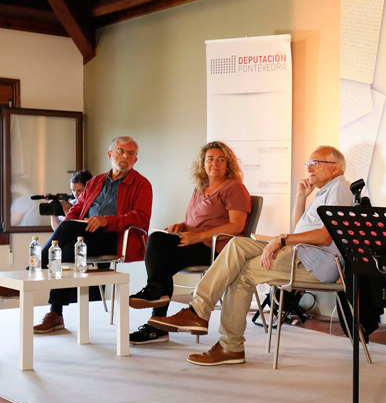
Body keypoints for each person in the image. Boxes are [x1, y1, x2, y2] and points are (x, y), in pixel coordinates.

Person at [148, 146, 353, 366]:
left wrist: (281, 239)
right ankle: (199, 312)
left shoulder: (340, 188)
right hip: (300, 254)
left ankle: (229, 345)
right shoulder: (325, 192)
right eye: (308, 163)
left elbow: (325, 236)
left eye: (315, 163)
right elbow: (299, 231)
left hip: (313, 263)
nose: (309, 168)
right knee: (237, 244)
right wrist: (301, 197)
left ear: (335, 168)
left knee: (241, 274)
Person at [128, 142, 252, 345]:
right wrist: (182, 225)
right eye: (210, 159)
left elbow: (236, 226)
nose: (215, 163)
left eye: (221, 159)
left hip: (217, 249)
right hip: (196, 242)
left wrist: (199, 237)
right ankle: (156, 304)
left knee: (161, 255)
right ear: (203, 164)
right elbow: (197, 221)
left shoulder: (235, 188)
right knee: (158, 242)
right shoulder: (200, 189)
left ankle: (156, 313)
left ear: (228, 165)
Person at [34, 137, 152, 333]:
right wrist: (71, 222)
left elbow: (141, 218)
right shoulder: (95, 182)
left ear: (135, 159)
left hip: (115, 238)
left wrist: (107, 221)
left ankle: (35, 268)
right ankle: (56, 314)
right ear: (110, 155)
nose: (126, 156)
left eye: (131, 153)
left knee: (67, 231)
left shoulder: (141, 184)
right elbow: (76, 209)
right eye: (121, 151)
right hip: (86, 234)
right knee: (65, 249)